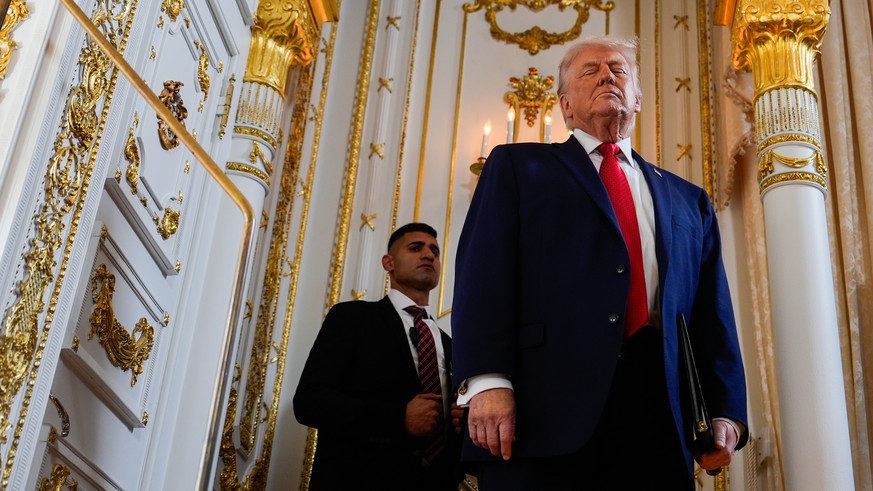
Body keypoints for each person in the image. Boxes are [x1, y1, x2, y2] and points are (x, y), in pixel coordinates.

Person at [451, 36, 748, 489]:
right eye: (590, 71)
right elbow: (483, 275)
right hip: (543, 406)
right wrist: (488, 380)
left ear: (638, 99)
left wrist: (726, 407)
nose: (608, 75)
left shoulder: (690, 200)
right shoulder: (516, 166)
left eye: (618, 70)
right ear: (565, 105)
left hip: (657, 410)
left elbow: (712, 313)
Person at [294, 223, 464, 490]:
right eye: (416, 248)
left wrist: (459, 423)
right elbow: (309, 402)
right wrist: (398, 418)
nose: (429, 255)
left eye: (435, 251)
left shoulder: (452, 345)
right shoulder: (352, 318)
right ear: (389, 262)